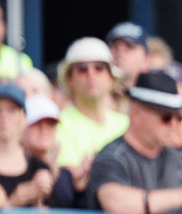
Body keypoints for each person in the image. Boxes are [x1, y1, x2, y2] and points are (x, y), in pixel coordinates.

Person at [54, 38, 128, 177]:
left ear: (111, 78)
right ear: (69, 79)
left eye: (99, 68)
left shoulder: (126, 124)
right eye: (82, 69)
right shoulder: (57, 123)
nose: (91, 74)